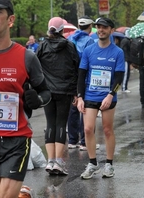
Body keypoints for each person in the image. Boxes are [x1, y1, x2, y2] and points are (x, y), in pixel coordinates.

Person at [0, 1, 51, 198]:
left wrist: (35, 100)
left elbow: (46, 92)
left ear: (10, 20)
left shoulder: (26, 56)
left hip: (15, 139)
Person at [77, 17, 125, 179]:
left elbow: (119, 77)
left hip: (107, 97)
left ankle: (109, 164)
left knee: (107, 129)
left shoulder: (118, 52)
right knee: (88, 129)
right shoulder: (89, 51)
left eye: (104, 27)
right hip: (90, 95)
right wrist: (80, 97)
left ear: (111, 30)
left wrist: (111, 95)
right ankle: (92, 163)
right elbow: (81, 75)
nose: (101, 30)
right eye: (98, 27)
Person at [37, 17, 79, 175]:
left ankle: (50, 160)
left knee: (50, 124)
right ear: (63, 30)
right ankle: (59, 162)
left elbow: (35, 68)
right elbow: (76, 68)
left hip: (47, 91)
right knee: (61, 124)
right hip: (65, 90)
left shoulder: (42, 46)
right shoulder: (69, 46)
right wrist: (76, 91)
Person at [67, 15, 95, 151]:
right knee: (85, 108)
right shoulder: (90, 41)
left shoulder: (70, 38)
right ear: (90, 27)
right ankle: (84, 142)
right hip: (84, 78)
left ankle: (72, 140)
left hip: (70, 78)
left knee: (73, 108)